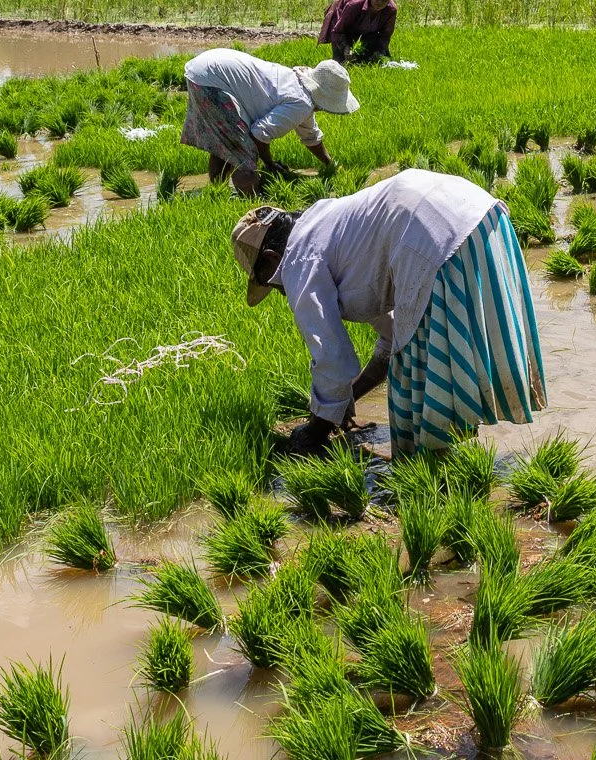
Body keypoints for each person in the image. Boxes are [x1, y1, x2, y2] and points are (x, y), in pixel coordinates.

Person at [233, 168, 545, 457]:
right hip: (474, 210)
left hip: (430, 235)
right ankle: (452, 458)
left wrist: (313, 432)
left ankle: (434, 469)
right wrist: (347, 399)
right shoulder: (329, 232)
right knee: (425, 354)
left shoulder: (299, 261)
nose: (281, 290)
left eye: (272, 284)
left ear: (274, 259)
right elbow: (392, 339)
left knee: (413, 405)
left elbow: (333, 360)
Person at [182, 49, 354, 195]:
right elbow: (259, 134)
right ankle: (248, 204)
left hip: (205, 69)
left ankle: (216, 193)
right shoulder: (302, 102)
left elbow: (311, 135)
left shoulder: (301, 88)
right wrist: (269, 164)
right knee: (246, 156)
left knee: (227, 143)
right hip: (213, 79)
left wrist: (330, 164)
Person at [319, 0, 399, 64]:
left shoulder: (391, 9)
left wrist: (380, 51)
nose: (379, 2)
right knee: (340, 62)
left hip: (368, 31)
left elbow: (385, 36)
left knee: (372, 60)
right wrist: (346, 47)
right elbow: (338, 31)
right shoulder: (353, 5)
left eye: (384, 0)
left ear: (389, 0)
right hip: (342, 23)